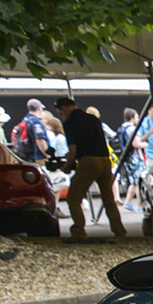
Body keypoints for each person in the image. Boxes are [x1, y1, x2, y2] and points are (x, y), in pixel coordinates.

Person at [55, 98, 126, 239]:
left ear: (63, 108)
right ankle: (119, 231)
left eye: (60, 112)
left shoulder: (70, 123)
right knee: (109, 199)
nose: (61, 115)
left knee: (73, 198)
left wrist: (67, 166)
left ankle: (79, 231)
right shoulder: (93, 119)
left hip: (88, 161)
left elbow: (73, 149)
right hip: (105, 161)